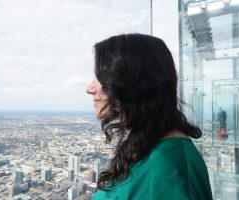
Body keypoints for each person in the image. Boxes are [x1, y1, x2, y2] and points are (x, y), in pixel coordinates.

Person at [86, 34, 213, 200]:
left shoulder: (169, 165)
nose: (89, 88)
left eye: (99, 78)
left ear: (130, 82)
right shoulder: (151, 147)